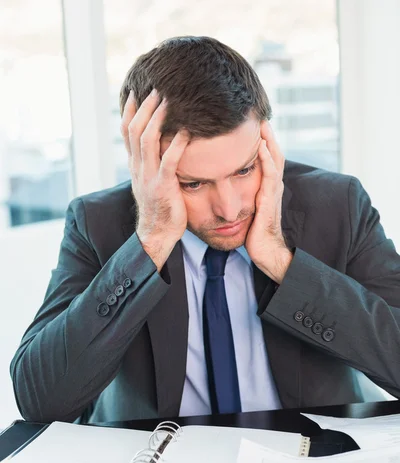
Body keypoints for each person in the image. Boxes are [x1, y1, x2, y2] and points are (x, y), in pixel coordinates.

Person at [10, 36, 400, 424]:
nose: (229, 208)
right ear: (145, 161)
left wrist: (282, 262)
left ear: (265, 137)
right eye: (193, 183)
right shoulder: (97, 222)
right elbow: (40, 402)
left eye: (244, 170)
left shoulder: (337, 205)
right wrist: (151, 241)